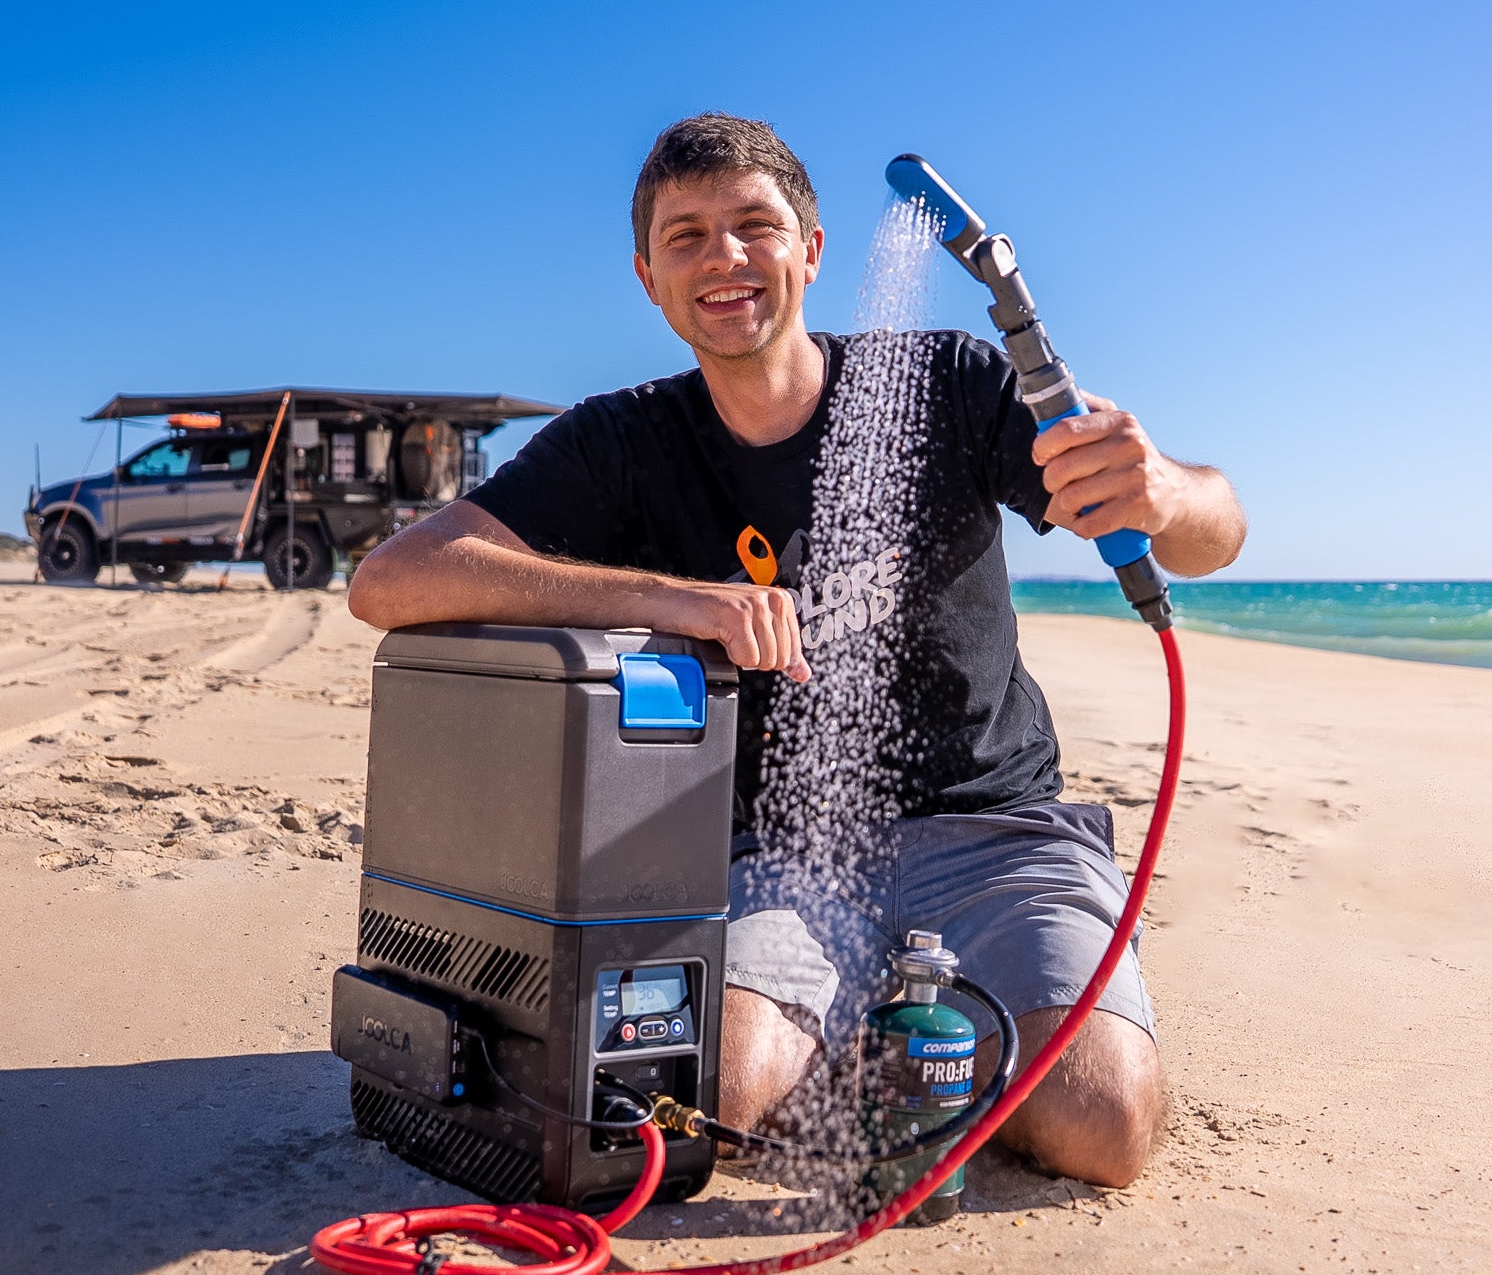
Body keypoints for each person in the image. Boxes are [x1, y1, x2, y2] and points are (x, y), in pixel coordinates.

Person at [347, 114, 1245, 1188]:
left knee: (1100, 1126)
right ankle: (887, 1018)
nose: (722, 258)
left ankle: (1031, 993)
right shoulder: (620, 442)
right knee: (711, 1102)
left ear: (810, 249)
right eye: (685, 237)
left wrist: (1162, 491)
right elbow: (390, 581)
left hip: (997, 835)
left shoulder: (949, 385)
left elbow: (1214, 528)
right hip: (774, 857)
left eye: (752, 226)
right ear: (647, 277)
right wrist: (677, 602)